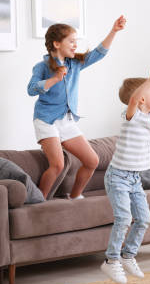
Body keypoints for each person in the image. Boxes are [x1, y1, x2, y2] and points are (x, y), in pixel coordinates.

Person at [27, 17, 126, 200]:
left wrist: (114, 31)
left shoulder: (75, 64)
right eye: (71, 41)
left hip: (66, 120)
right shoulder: (41, 67)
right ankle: (38, 202)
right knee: (57, 165)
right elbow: (31, 89)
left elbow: (99, 53)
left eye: (76, 42)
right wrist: (55, 79)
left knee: (92, 160)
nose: (75, 45)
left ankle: (74, 197)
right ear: (57, 44)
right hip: (45, 120)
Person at [100, 68, 150, 284]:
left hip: (134, 179)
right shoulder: (131, 116)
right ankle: (111, 261)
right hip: (118, 177)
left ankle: (128, 255)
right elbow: (132, 99)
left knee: (144, 219)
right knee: (123, 218)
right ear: (141, 99)